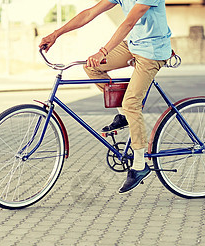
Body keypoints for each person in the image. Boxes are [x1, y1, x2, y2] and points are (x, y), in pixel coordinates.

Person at [39, 0, 172, 193]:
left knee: (132, 102)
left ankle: (140, 164)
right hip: (133, 45)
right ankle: (124, 115)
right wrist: (55, 34)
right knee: (91, 67)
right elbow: (89, 13)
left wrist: (103, 51)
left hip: (152, 51)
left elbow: (129, 23)